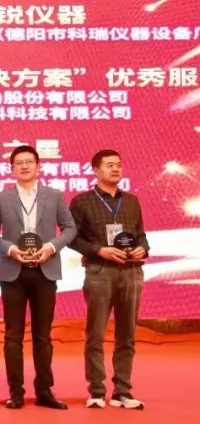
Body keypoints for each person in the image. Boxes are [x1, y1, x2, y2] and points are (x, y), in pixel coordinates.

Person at [0, 145, 77, 410]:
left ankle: (44, 390)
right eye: (19, 163)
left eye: (29, 162)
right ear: (12, 168)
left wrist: (50, 247)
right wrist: (11, 250)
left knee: (43, 336)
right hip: (12, 271)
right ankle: (16, 392)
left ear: (38, 166)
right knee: (13, 336)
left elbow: (70, 228)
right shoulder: (1, 198)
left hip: (44, 270)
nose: (24, 166)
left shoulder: (54, 196)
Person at [69, 149, 149, 410]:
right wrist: (98, 250)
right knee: (95, 333)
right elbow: (72, 237)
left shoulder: (132, 201)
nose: (115, 169)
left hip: (131, 271)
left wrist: (143, 249)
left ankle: (122, 391)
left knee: (128, 334)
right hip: (100, 271)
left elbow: (140, 234)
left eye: (118, 165)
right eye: (109, 165)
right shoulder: (81, 201)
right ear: (95, 170)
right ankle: (96, 390)